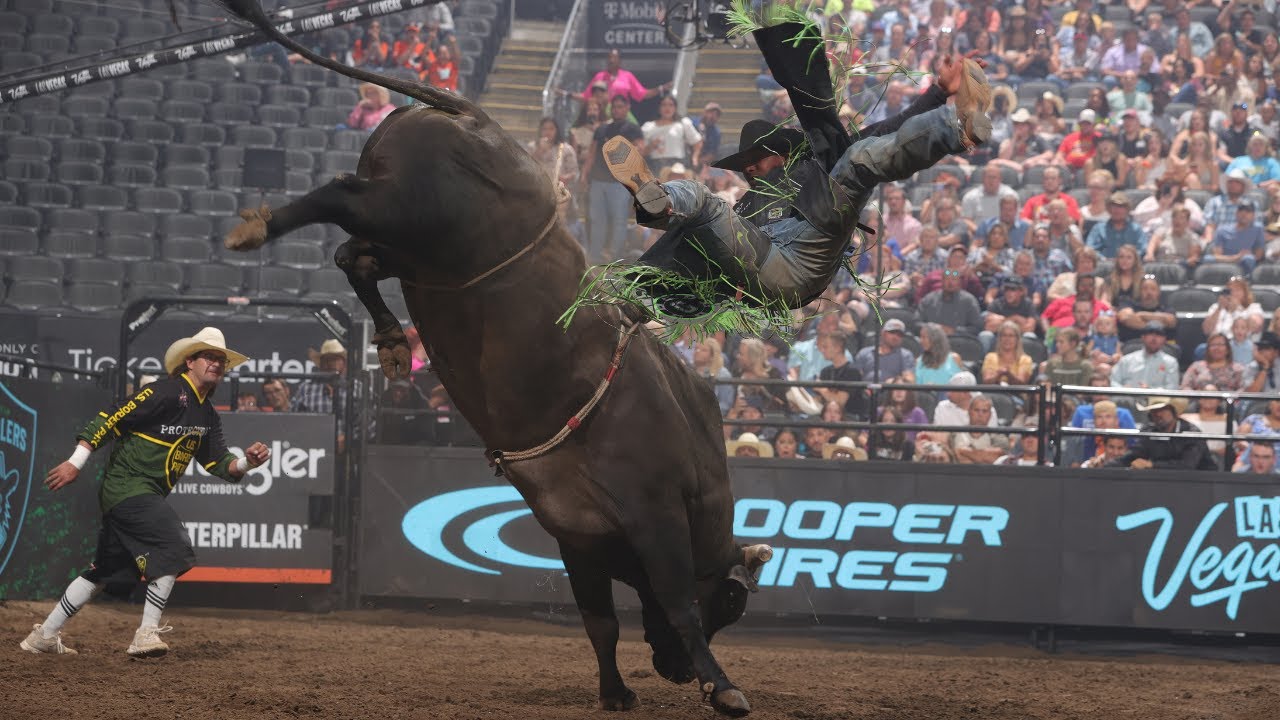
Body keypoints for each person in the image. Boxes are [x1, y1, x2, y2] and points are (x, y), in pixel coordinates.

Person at [590, 22, 992, 327]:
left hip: (808, 245)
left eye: (768, 155)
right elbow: (702, 267)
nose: (757, 165)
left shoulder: (816, 164)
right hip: (769, 266)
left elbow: (888, 131)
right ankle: (650, 238)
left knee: (859, 157)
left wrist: (939, 92)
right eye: (758, 159)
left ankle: (954, 126)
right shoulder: (745, 208)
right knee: (701, 218)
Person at [23, 327, 271, 656]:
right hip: (127, 487)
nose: (216, 363)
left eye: (221, 360)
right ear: (189, 362)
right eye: (209, 357)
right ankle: (146, 633)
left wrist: (247, 463)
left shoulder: (207, 414)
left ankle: (44, 636)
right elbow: (110, 417)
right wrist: (76, 462)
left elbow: (218, 464)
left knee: (103, 571)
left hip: (134, 494)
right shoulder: (165, 392)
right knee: (172, 546)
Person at [580, 94, 644, 263]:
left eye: (620, 107)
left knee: (619, 221)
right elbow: (592, 154)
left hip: (620, 182)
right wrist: (584, 174)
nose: (616, 110)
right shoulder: (602, 129)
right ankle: (594, 257)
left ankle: (615, 258)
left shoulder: (633, 129)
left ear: (627, 108)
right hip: (598, 180)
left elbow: (640, 151)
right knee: (597, 220)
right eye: (614, 107)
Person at [1107, 397, 1216, 470]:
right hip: (1161, 483)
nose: (1158, 414)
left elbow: (1188, 465)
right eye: (1154, 411)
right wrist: (1104, 466)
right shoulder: (1149, 431)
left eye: (1163, 410)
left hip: (1200, 484)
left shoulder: (1191, 433)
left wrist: (1151, 465)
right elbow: (1131, 455)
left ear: (1174, 412)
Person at [292, 339, 351, 452]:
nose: (331, 363)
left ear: (344, 362)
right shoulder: (306, 388)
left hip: (349, 453)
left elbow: (369, 425)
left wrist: (348, 438)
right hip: (312, 450)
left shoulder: (355, 388)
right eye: (326, 360)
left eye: (335, 359)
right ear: (321, 364)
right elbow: (293, 420)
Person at [642, 95, 703, 173]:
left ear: (675, 108)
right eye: (664, 105)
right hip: (655, 166)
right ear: (659, 108)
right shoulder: (649, 127)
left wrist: (695, 157)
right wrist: (651, 146)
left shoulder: (683, 123)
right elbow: (642, 152)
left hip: (677, 166)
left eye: (671, 105)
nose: (667, 108)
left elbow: (697, 141)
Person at [1111, 321, 1180, 389]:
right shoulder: (1127, 359)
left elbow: (1172, 387)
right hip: (1126, 398)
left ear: (1164, 339)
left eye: (1159, 335)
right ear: (1143, 337)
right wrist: (1123, 390)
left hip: (1156, 399)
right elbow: (1113, 380)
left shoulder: (1170, 362)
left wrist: (1151, 390)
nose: (1154, 338)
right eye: (1150, 334)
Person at [918, 268, 982, 337]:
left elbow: (976, 327)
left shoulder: (969, 301)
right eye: (947, 279)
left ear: (959, 282)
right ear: (942, 281)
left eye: (954, 279)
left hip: (959, 340)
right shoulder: (929, 299)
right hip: (931, 339)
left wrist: (954, 330)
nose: (950, 282)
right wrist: (934, 329)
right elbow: (916, 323)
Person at [1208, 200, 1265, 275]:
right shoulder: (1222, 229)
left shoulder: (1258, 229)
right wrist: (1235, 258)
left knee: (1249, 259)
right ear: (1236, 213)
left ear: (1253, 215)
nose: (1244, 213)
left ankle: (1246, 281)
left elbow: (1259, 255)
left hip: (1244, 264)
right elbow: (1217, 255)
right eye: (1241, 210)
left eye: (1248, 211)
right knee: (1207, 259)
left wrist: (1244, 257)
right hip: (1225, 263)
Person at [852, 318, 917, 383]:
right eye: (892, 332)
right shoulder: (864, 353)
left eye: (899, 335)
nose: (895, 337)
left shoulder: (905, 355)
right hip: (866, 390)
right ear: (883, 333)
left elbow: (909, 380)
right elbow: (855, 377)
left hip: (891, 390)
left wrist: (893, 382)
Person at [1086, 192, 1148, 259]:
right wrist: (1103, 259)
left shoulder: (1136, 229)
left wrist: (1127, 260)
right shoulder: (1098, 228)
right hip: (1104, 266)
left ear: (1127, 210)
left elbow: (1142, 249)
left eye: (1121, 207)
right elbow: (1090, 250)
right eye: (1113, 206)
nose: (1116, 210)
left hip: (1130, 267)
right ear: (1108, 209)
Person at [952, 396, 1009, 464]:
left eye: (984, 411)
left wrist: (962, 451)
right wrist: (984, 455)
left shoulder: (999, 437)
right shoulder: (956, 433)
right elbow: (953, 458)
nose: (980, 414)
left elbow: (996, 460)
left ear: (990, 414)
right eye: (976, 410)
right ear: (969, 412)